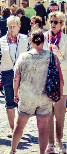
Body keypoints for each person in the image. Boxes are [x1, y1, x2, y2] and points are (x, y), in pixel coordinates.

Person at [9, 29, 62, 154]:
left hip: (27, 96)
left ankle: (13, 150)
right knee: (43, 128)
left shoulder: (23, 57)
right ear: (43, 41)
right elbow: (60, 78)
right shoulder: (52, 56)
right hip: (45, 97)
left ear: (31, 41)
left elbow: (16, 78)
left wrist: (15, 93)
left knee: (19, 126)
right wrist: (59, 93)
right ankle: (42, 153)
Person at [0, 16, 29, 137]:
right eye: (9, 26)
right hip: (7, 73)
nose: (11, 29)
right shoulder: (2, 40)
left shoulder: (25, 39)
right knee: (9, 102)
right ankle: (13, 129)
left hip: (23, 74)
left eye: (14, 26)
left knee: (22, 104)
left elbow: (30, 56)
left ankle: (20, 128)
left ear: (19, 26)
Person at [44, 12, 67, 154]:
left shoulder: (65, 39)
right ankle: (50, 142)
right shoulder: (44, 38)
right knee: (47, 114)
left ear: (62, 24)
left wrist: (59, 57)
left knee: (60, 114)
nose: (52, 24)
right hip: (45, 81)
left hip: (61, 82)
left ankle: (60, 140)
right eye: (51, 21)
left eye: (56, 22)